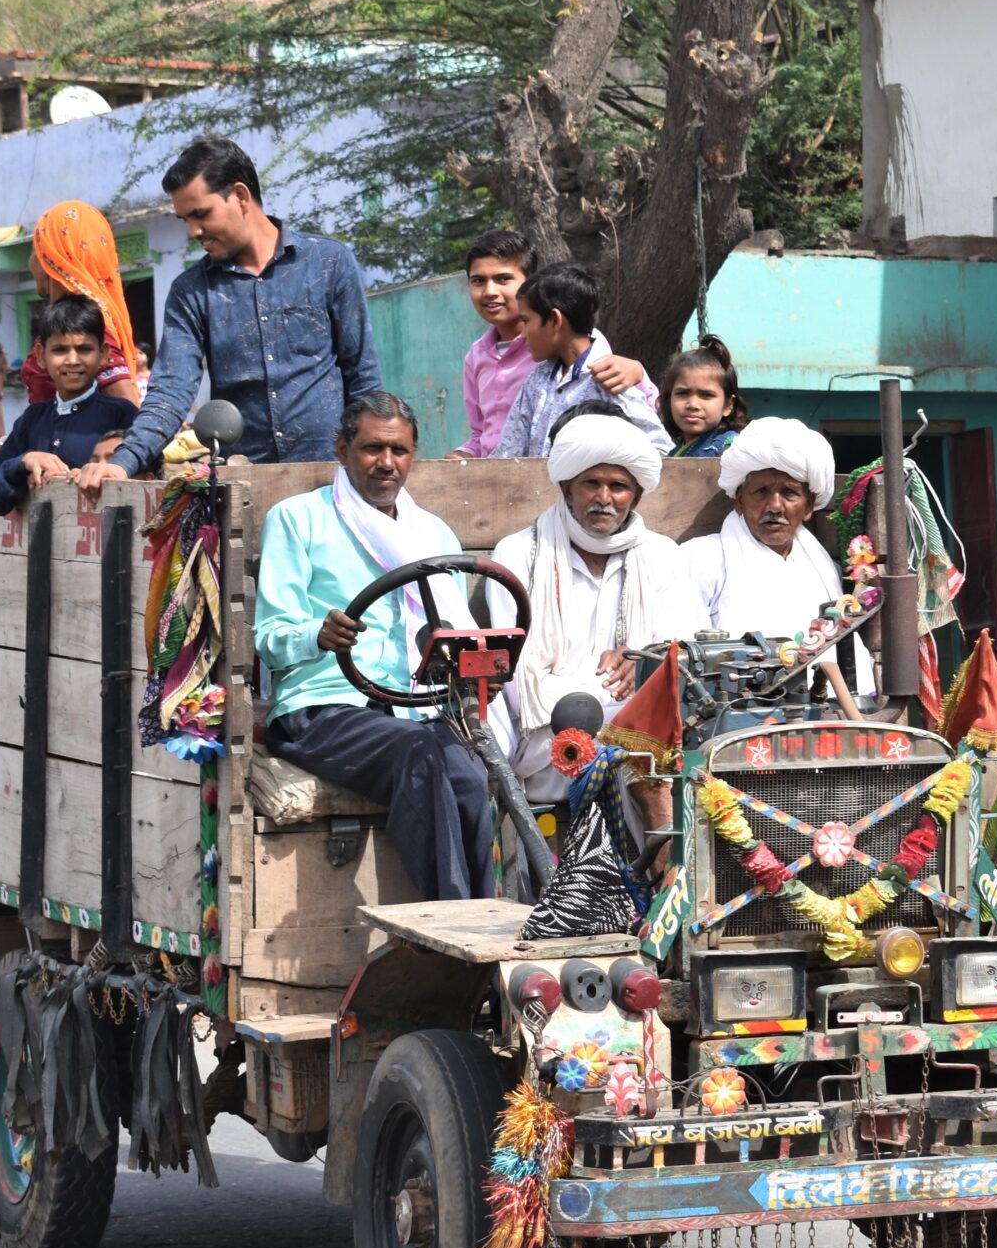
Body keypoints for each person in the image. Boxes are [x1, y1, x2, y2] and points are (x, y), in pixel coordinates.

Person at [254, 391, 494, 901]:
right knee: (421, 751)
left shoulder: (431, 531)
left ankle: (486, 919)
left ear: (414, 455)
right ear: (341, 448)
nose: (387, 464)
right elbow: (270, 639)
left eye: (400, 452)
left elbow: (456, 629)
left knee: (472, 778)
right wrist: (316, 634)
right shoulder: (297, 519)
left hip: (416, 710)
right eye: (371, 449)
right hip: (322, 710)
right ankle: (453, 921)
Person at [78, 136, 383, 498]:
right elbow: (170, 391)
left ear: (240, 196)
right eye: (185, 220)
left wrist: (372, 466)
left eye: (201, 214)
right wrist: (123, 461)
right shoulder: (191, 292)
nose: (193, 232)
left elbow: (362, 378)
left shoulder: (329, 263)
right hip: (244, 490)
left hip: (332, 483)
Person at [487, 405, 707, 801]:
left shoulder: (663, 555)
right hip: (545, 739)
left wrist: (646, 657)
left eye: (618, 487)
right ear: (567, 486)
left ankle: (659, 860)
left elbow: (684, 653)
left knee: (645, 747)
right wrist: (614, 692)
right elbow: (517, 678)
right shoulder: (518, 554)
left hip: (640, 735)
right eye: (591, 483)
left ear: (636, 494)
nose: (604, 499)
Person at [682, 415, 875, 688]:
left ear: (809, 507)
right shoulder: (702, 558)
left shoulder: (823, 568)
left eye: (789, 493)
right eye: (761, 491)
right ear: (739, 500)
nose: (775, 506)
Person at [452, 230, 655, 458]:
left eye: (503, 279)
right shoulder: (476, 356)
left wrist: (637, 371)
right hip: (501, 479)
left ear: (530, 283)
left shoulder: (574, 343)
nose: (489, 292)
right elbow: (481, 435)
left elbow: (638, 409)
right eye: (478, 281)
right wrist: (464, 455)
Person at [491, 262, 669, 458]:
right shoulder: (537, 379)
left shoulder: (609, 378)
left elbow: (661, 452)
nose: (523, 334)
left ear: (555, 320)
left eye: (526, 321)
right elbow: (507, 453)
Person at [0, 298, 137, 517]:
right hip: (42, 548)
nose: (72, 360)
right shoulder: (33, 418)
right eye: (60, 350)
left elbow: (143, 483)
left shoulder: (122, 414)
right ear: (42, 356)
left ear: (103, 354)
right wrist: (24, 462)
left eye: (84, 349)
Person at [20, 200, 140, 406]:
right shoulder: (72, 318)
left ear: (52, 257)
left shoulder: (85, 322)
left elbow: (129, 409)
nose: (31, 261)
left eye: (36, 249)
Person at [660, 335, 747, 458]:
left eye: (706, 395)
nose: (693, 405)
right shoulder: (673, 454)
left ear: (728, 405)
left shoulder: (731, 449)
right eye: (682, 393)